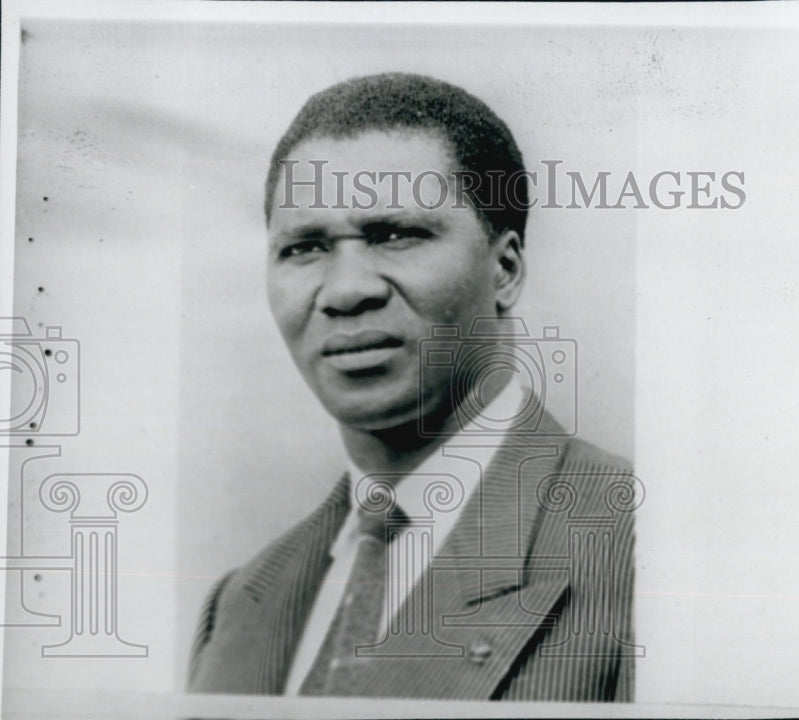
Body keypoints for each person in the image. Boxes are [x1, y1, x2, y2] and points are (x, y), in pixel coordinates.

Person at [187, 73, 637, 702]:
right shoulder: (239, 605)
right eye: (304, 247)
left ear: (504, 270)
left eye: (395, 235)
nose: (346, 290)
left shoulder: (640, 549)